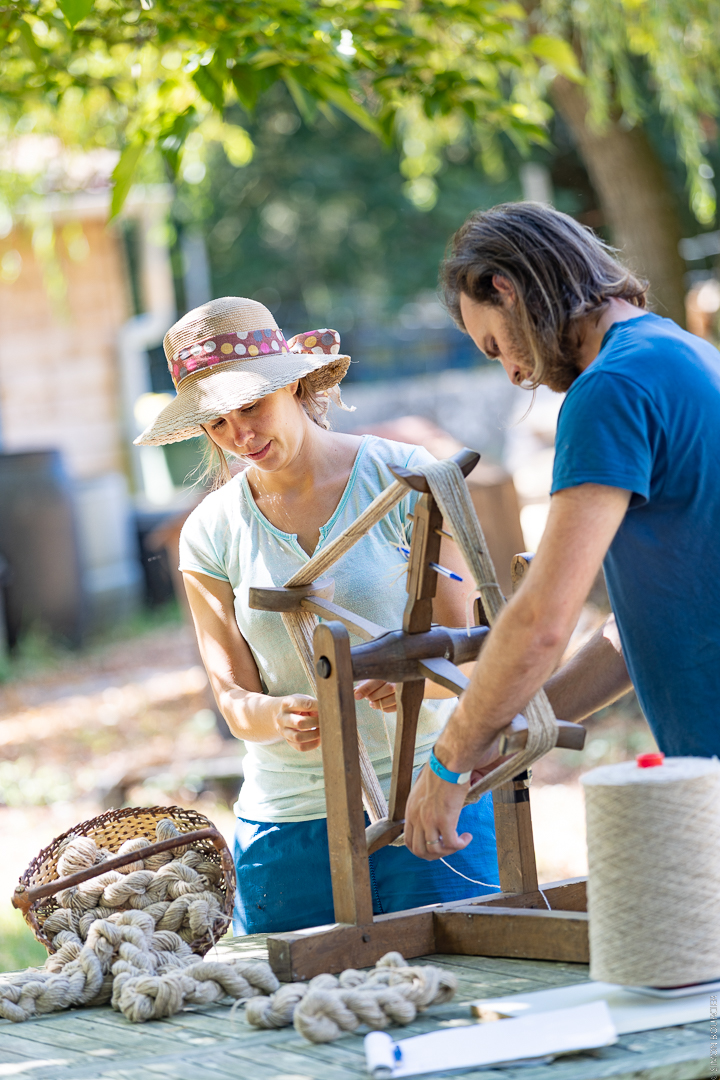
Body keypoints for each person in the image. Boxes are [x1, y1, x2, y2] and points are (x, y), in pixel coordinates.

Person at [135, 296, 500, 934]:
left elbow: (469, 639)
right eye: (217, 424)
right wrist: (278, 716)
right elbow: (233, 698)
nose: (239, 435)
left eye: (251, 406)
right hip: (289, 829)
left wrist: (414, 670)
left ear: (295, 382)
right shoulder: (210, 534)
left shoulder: (406, 477)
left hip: (428, 796)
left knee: (461, 996)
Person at [405, 201, 720, 861]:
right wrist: (515, 719)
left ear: (506, 288)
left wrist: (447, 762)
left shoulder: (610, 388)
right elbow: (647, 621)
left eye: (495, 346)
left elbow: (542, 621)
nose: (514, 373)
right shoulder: (679, 352)